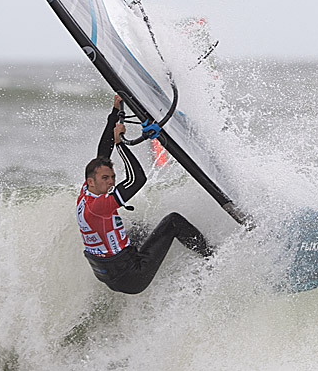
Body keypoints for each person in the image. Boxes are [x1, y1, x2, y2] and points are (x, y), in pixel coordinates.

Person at [77, 94, 215, 294]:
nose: (111, 182)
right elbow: (137, 179)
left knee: (141, 229)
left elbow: (102, 154)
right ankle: (213, 258)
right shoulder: (99, 206)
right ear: (92, 181)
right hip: (132, 276)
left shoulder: (87, 191)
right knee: (173, 222)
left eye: (112, 177)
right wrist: (120, 144)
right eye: (106, 178)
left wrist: (115, 112)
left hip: (110, 272)